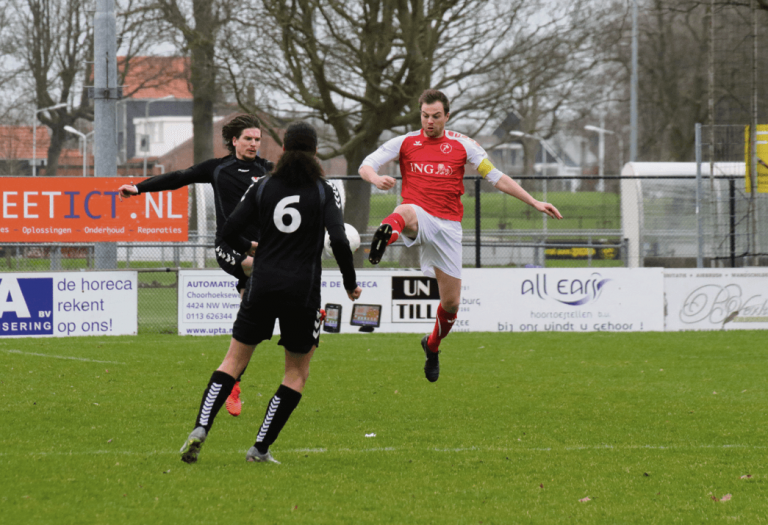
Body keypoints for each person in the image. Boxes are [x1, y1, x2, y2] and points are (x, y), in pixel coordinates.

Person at [179, 121, 362, 464]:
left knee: (233, 361)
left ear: (284, 149)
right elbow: (338, 239)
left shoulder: (262, 185)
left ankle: (201, 428)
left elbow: (229, 231)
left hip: (261, 286)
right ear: (314, 151)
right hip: (301, 293)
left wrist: (253, 247)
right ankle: (259, 448)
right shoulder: (324, 190)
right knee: (295, 373)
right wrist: (350, 282)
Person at [359, 89, 563, 383]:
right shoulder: (405, 142)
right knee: (405, 211)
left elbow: (496, 176)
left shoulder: (463, 145)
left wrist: (534, 202)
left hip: (449, 227)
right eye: (425, 115)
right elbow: (366, 164)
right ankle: (385, 237)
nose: (430, 121)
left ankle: (432, 346)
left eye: (436, 116)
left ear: (447, 116)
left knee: (452, 304)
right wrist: (376, 178)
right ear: (421, 114)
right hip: (419, 215)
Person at [117, 114, 273, 416]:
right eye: (249, 139)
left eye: (257, 139)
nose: (254, 143)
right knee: (258, 267)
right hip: (230, 248)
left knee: (249, 321)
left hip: (260, 252)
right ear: (234, 141)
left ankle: (234, 382)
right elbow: (179, 177)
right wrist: (139, 188)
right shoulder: (218, 168)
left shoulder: (267, 171)